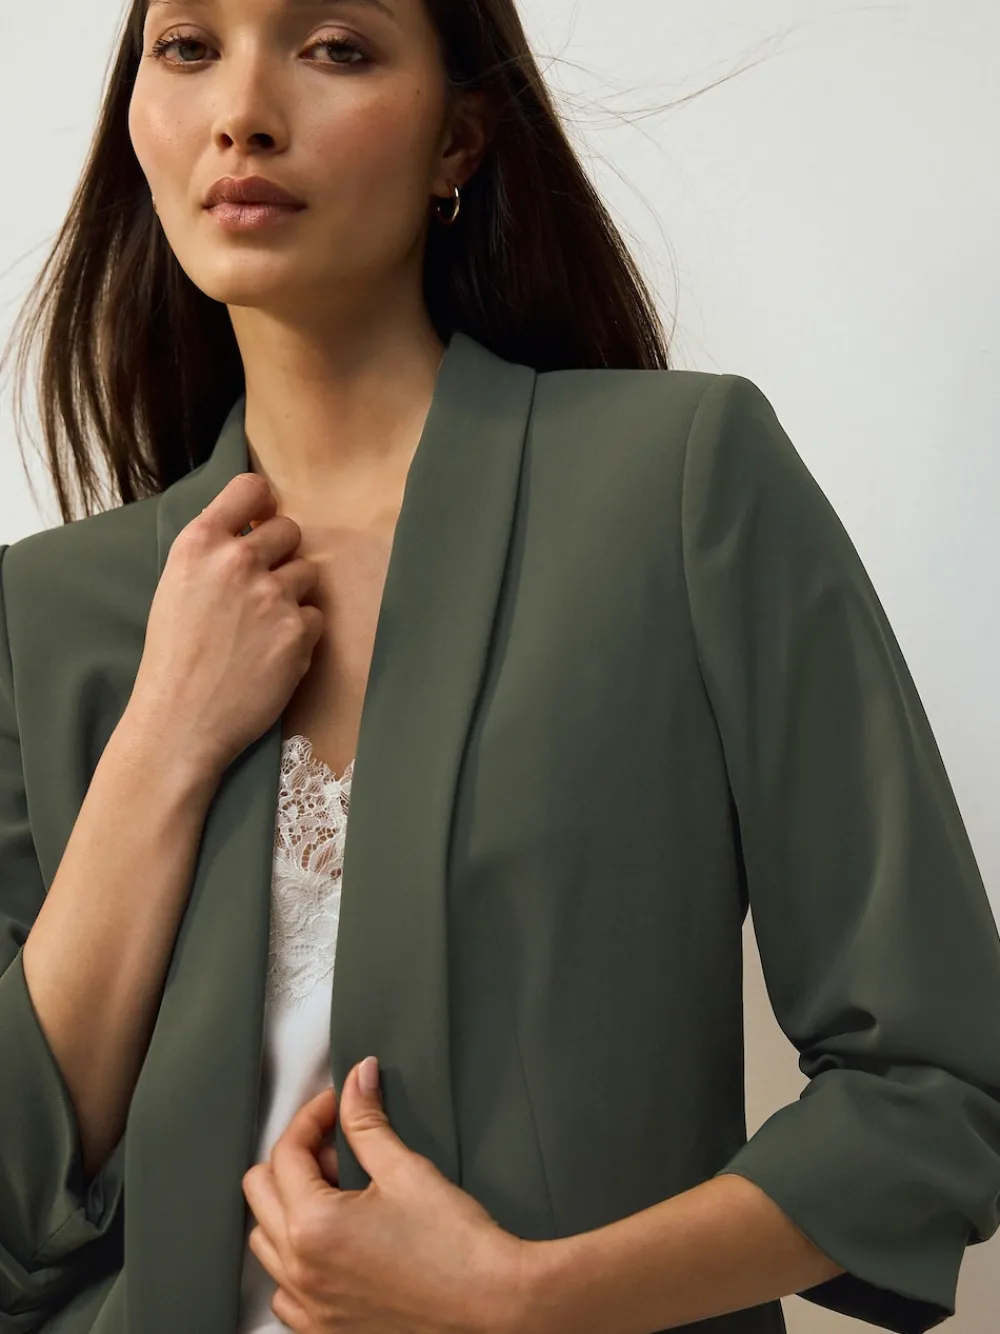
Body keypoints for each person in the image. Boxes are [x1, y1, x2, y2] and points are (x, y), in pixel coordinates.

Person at [2, 1, 999, 1332]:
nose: (241, 113)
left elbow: (935, 1093)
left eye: (335, 47)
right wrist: (163, 739)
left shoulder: (676, 487)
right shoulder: (46, 613)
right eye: (188, 47)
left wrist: (529, 1298)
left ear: (458, 140)